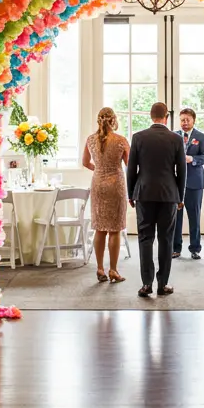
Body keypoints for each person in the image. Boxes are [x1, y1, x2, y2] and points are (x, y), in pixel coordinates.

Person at [127, 101, 187, 298]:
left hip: (144, 194)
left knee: (145, 239)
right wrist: (180, 196)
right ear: (166, 117)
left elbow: (131, 169)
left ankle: (146, 284)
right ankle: (163, 284)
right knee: (166, 239)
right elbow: (182, 171)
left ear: (150, 116)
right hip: (169, 195)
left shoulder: (138, 137)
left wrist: (131, 193)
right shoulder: (176, 139)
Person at [82, 107, 129, 284]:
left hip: (98, 184)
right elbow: (129, 164)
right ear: (114, 120)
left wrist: (99, 169)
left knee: (99, 227)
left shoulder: (90, 140)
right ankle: (113, 270)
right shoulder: (121, 140)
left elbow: (85, 162)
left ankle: (100, 268)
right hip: (116, 184)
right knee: (115, 229)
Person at [173, 107, 204, 259]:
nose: (185, 123)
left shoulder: (201, 137)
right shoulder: (173, 136)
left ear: (194, 120)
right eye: (182, 120)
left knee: (194, 216)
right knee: (176, 218)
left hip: (195, 182)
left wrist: (193, 159)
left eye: (187, 120)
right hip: (176, 182)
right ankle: (176, 248)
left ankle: (195, 248)